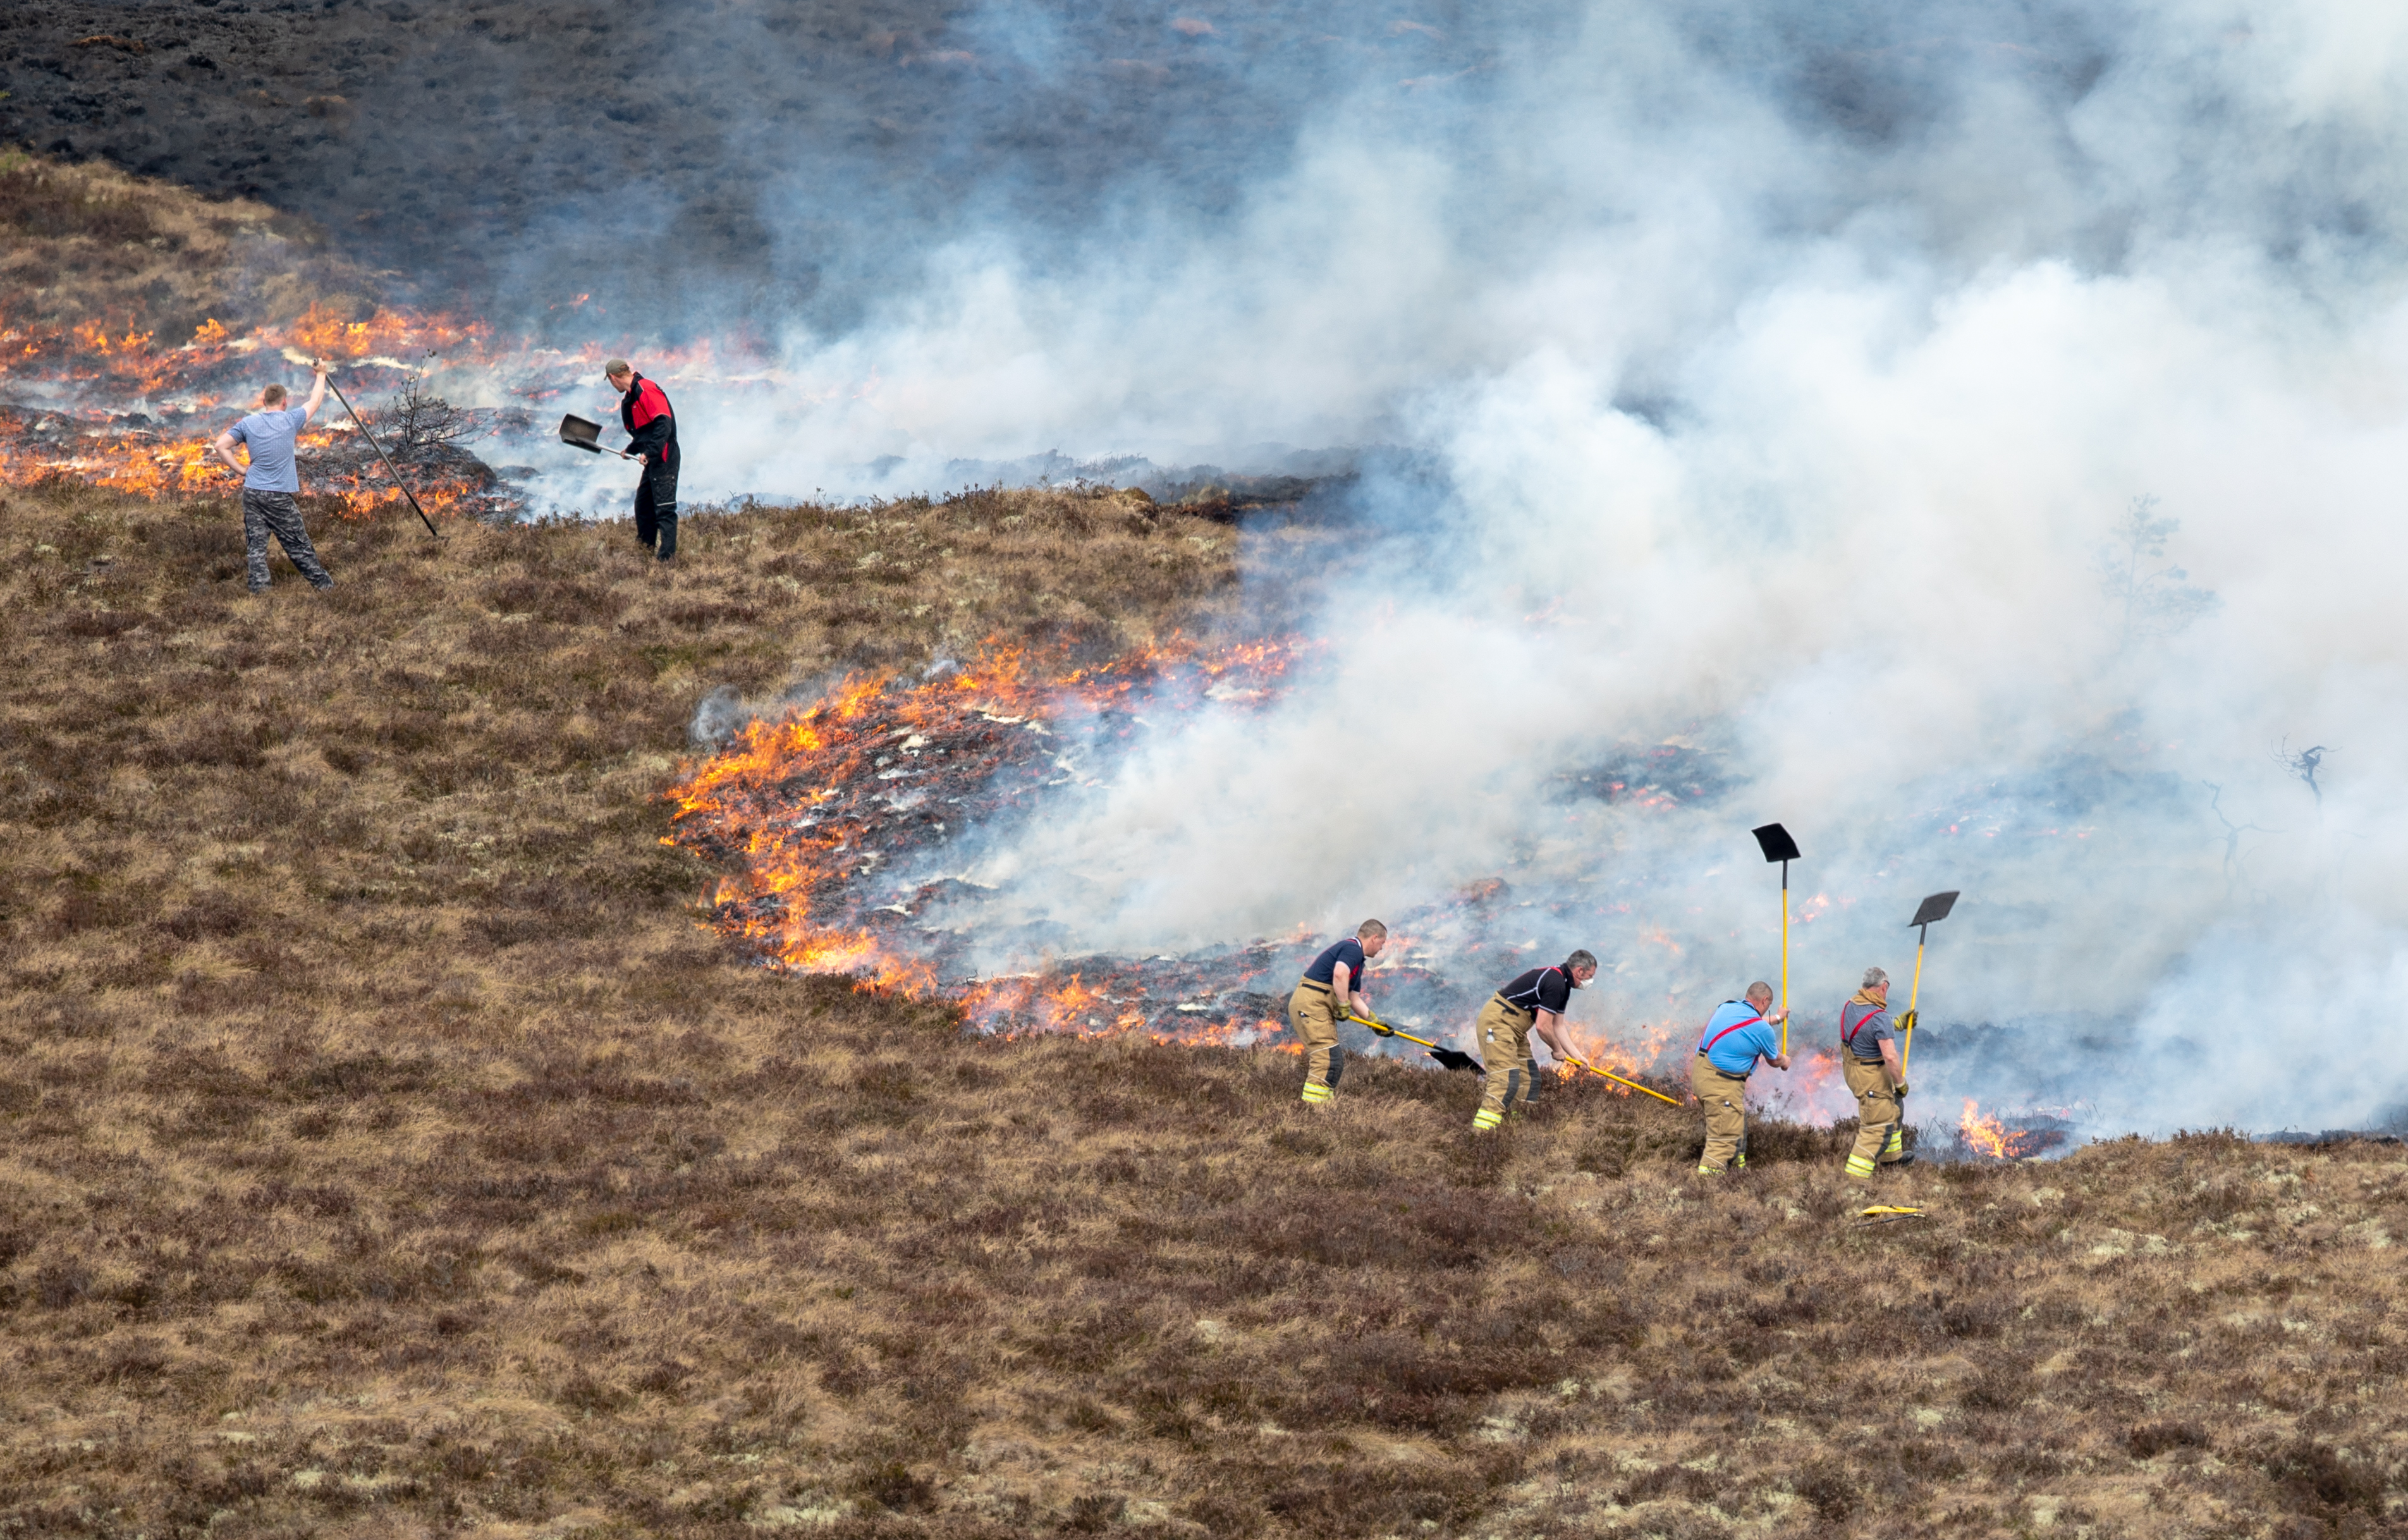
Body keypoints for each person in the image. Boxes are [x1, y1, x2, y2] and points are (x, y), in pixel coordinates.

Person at [211, 365, 334, 594]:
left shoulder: (248, 423)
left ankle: (260, 593)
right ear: (284, 402)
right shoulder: (290, 420)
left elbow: (221, 445)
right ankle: (325, 588)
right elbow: (315, 402)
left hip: (252, 493)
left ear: (264, 402)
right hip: (277, 496)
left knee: (256, 548)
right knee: (298, 545)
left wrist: (241, 470)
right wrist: (321, 374)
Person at [1470, 950, 1598, 1131]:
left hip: (1514, 1029)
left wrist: (1578, 1057)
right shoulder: (1556, 983)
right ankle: (1480, 1135)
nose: (1590, 982)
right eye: (1589, 976)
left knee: (1529, 1079)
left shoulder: (1563, 986)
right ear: (1579, 971)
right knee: (1505, 1080)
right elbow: (1543, 1026)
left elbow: (1558, 1026)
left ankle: (1517, 1128)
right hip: (1498, 1023)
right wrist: (1556, 1049)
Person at [1690, 982, 1789, 1175]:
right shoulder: (1762, 1030)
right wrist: (1786, 1060)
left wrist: (1778, 1018)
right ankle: (1707, 1187)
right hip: (1721, 1084)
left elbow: (1749, 1024)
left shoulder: (1727, 1008)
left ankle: (1737, 1170)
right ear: (1765, 1000)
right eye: (1769, 1007)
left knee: (1737, 1118)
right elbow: (1775, 1061)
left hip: (1701, 1074)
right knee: (1723, 1139)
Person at [1288, 920, 1386, 1106]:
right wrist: (1342, 1005)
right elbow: (1340, 974)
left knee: (1333, 1061)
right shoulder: (1353, 949)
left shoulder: (1357, 961)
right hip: (1312, 1004)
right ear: (1374, 938)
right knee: (1326, 1059)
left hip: (1315, 1005)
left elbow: (1354, 998)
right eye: (1382, 943)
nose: (1382, 949)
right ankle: (1313, 1112)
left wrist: (1375, 1023)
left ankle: (1323, 1109)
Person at [1839, 965, 1912, 1178]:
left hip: (1854, 1071)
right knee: (1877, 1127)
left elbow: (1868, 1026)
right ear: (1883, 987)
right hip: (1871, 1076)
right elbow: (1890, 1056)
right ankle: (1853, 1181)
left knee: (1895, 1106)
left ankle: (1892, 1159)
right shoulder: (1879, 1016)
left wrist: (1896, 1023)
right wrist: (1901, 1084)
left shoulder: (1850, 1005)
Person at [605, 359, 680, 561]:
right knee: (644, 505)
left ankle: (667, 560)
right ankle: (644, 553)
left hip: (664, 456)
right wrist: (632, 449)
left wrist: (651, 452)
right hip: (654, 458)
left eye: (610, 381)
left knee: (665, 509)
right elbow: (645, 431)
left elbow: (664, 423)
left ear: (613, 377)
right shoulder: (632, 397)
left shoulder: (646, 389)